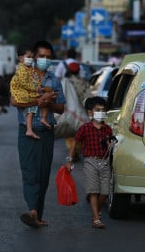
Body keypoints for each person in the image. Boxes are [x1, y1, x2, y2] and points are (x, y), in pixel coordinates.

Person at [11, 40, 66, 228]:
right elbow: (14, 101)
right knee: (29, 172)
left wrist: (48, 104)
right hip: (26, 131)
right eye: (41, 56)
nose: (45, 59)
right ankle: (32, 210)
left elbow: (60, 108)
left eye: (48, 57)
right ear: (33, 56)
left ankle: (37, 215)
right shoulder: (23, 75)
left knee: (43, 175)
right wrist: (37, 101)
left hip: (47, 131)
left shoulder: (54, 79)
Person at [65, 96, 113, 229]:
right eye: (98, 109)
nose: (101, 112)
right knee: (93, 190)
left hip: (104, 162)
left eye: (103, 110)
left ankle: (96, 210)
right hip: (90, 161)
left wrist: (110, 145)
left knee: (104, 192)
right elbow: (75, 142)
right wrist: (69, 159)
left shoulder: (107, 129)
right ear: (90, 112)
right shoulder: (84, 128)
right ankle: (96, 218)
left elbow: (108, 142)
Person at [10, 44, 50, 139]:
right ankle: (31, 128)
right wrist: (35, 88)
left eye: (32, 57)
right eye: (29, 57)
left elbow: (34, 80)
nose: (31, 59)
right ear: (20, 58)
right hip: (22, 93)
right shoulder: (22, 69)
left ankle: (38, 122)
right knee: (38, 101)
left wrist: (38, 86)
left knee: (35, 106)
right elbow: (24, 83)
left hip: (27, 92)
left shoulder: (29, 69)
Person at [64, 61, 89, 160]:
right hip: (81, 111)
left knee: (70, 132)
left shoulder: (66, 81)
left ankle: (72, 151)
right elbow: (87, 96)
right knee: (79, 132)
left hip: (70, 110)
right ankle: (76, 151)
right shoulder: (83, 82)